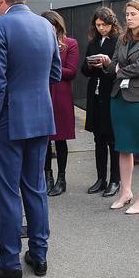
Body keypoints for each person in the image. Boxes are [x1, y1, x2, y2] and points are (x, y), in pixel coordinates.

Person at [0, 0, 61, 278]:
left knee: (7, 192)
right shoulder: (46, 27)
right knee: (35, 187)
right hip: (40, 118)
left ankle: (9, 262)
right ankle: (39, 255)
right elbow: (55, 73)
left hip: (8, 121)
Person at [97, 0, 139, 214]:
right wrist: (107, 64)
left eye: (133, 14)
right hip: (120, 98)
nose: (129, 18)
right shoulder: (123, 39)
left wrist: (117, 70)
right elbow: (114, 65)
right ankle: (125, 192)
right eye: (127, 14)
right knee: (123, 148)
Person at [81, 7, 122, 197]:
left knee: (112, 139)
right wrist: (91, 64)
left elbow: (120, 69)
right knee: (98, 139)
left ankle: (115, 179)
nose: (101, 29)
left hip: (111, 94)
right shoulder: (94, 42)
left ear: (112, 24)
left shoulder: (119, 41)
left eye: (104, 25)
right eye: (98, 25)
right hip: (95, 94)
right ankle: (100, 178)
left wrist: (106, 65)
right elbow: (84, 70)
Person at [40, 10, 79, 197]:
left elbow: (71, 71)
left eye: (52, 26)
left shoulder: (70, 44)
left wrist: (49, 65)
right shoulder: (38, 43)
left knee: (60, 138)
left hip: (61, 94)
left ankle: (61, 178)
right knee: (44, 138)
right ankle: (47, 175)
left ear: (58, 26)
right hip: (42, 92)